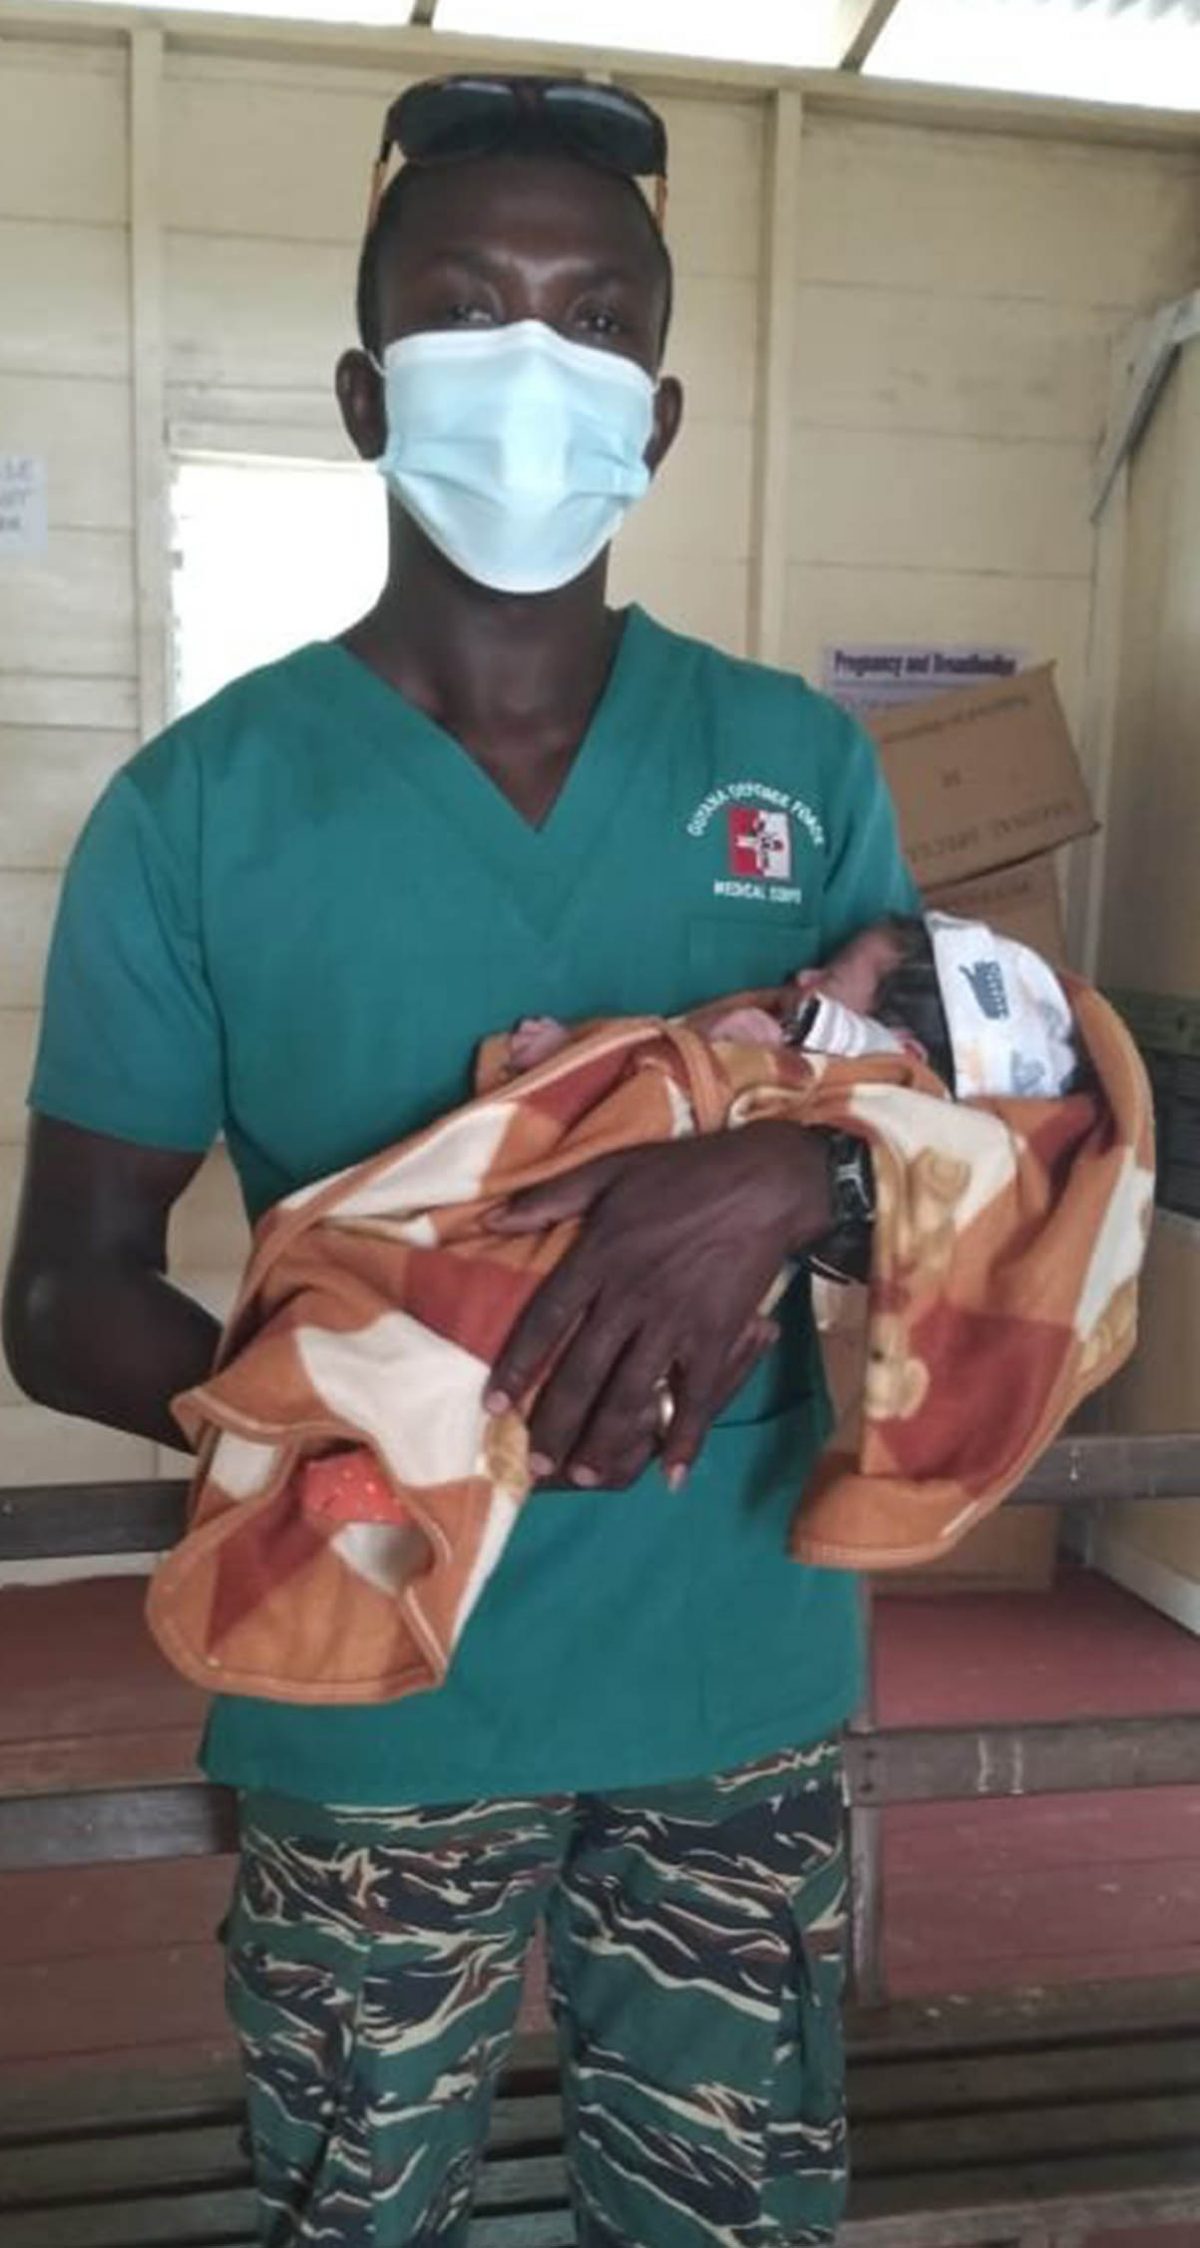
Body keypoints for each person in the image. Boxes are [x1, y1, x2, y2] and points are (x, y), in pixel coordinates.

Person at [5, 75, 930, 2248]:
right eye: (468, 308)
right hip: (369, 1669)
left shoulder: (793, 771)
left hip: (731, 1680)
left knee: (727, 2215)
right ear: (364, 386)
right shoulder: (202, 811)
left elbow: (973, 1159)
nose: (535, 366)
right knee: (362, 2213)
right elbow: (66, 1294)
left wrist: (785, 1182)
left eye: (591, 315)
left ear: (661, 412)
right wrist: (391, 1412)